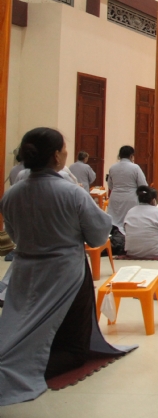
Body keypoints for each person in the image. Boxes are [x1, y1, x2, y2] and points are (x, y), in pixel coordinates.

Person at [0, 128, 131, 406]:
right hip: (66, 273)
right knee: (74, 348)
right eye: (64, 149)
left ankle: (23, 356)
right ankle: (29, 367)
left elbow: (13, 234)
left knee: (22, 323)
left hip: (25, 272)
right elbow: (97, 236)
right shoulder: (71, 193)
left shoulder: (11, 196)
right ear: (57, 156)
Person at [107, 145, 148, 232]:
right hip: (130, 197)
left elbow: (110, 185)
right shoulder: (135, 167)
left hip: (115, 197)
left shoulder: (113, 167)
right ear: (131, 156)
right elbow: (143, 185)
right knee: (129, 222)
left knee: (115, 221)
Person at [124, 185, 158, 258]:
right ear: (153, 200)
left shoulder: (130, 211)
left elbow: (126, 230)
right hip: (156, 250)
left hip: (132, 250)